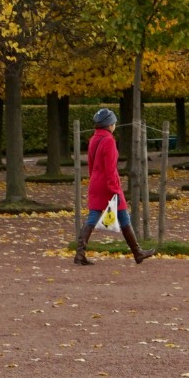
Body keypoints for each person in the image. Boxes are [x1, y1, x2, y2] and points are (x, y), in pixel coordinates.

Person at [75, 107, 146, 264]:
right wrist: (115, 190)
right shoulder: (109, 141)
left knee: (95, 216)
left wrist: (94, 178)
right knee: (123, 216)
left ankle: (80, 253)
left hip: (96, 182)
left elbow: (91, 164)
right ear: (109, 125)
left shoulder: (94, 139)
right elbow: (110, 168)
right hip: (108, 184)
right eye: (114, 122)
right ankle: (137, 252)